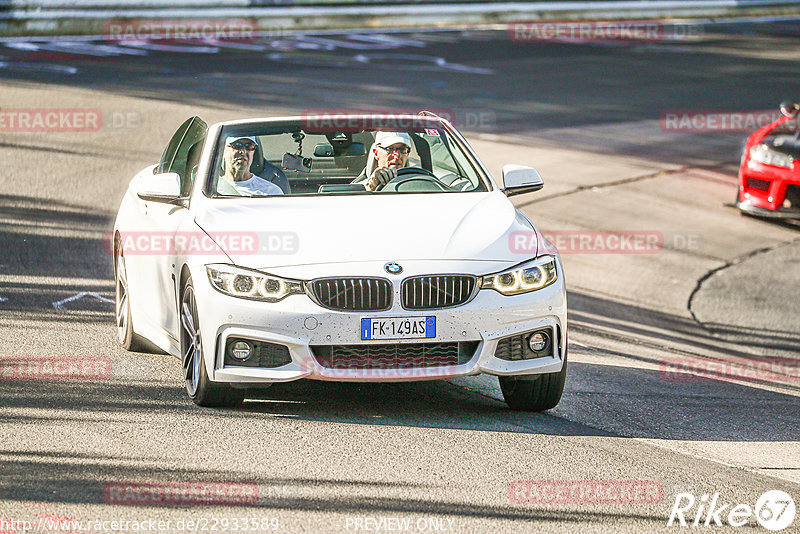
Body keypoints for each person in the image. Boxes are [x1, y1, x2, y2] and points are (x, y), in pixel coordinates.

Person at [219, 136, 284, 196]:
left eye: (248, 146)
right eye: (237, 146)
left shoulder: (272, 192)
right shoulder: (213, 189)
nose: (243, 151)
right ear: (223, 152)